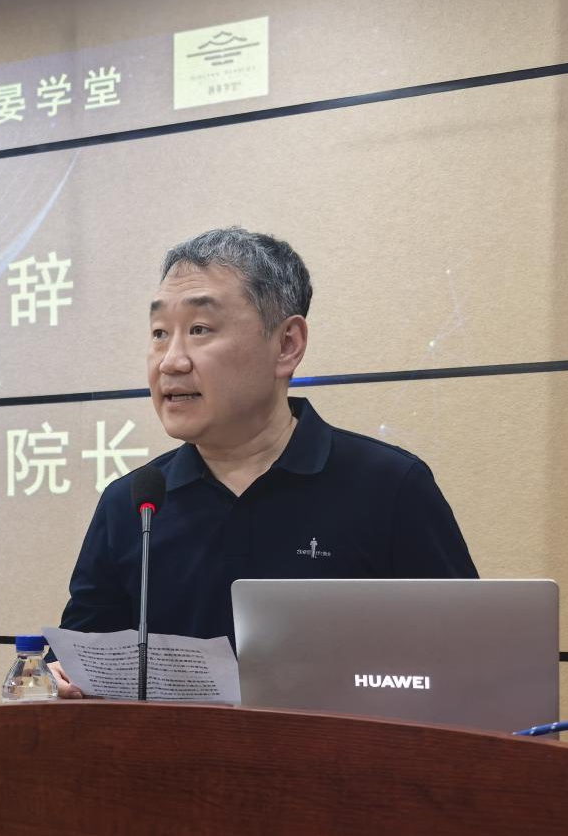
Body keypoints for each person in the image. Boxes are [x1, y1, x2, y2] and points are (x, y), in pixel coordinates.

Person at [48, 227, 478, 698]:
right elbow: (78, 668)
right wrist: (63, 682)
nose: (170, 361)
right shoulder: (132, 505)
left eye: (199, 329)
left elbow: (467, 669)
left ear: (287, 345)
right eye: (159, 333)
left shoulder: (389, 488)